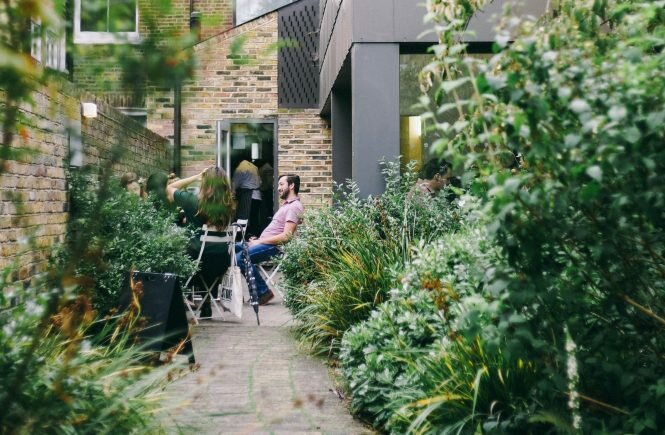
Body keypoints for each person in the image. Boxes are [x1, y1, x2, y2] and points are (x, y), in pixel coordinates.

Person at [166, 167, 236, 312]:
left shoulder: (191, 200)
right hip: (222, 263)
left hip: (196, 262)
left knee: (176, 256)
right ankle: (206, 303)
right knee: (205, 254)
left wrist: (196, 176)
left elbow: (169, 188)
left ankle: (180, 298)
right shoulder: (228, 206)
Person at [236, 173, 303, 306]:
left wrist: (259, 241)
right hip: (265, 243)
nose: (278, 188)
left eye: (281, 184)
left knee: (241, 258)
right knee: (230, 249)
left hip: (274, 247)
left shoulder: (294, 206)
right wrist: (258, 239)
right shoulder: (285, 206)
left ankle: (262, 292)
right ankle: (228, 294)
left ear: (291, 186)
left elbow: (286, 236)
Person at [232, 159, 262, 238]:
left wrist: (232, 194)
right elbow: (260, 181)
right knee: (254, 218)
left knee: (244, 218)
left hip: (248, 196)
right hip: (257, 196)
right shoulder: (254, 167)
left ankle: (243, 237)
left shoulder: (241, 168)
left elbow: (235, 184)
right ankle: (255, 236)